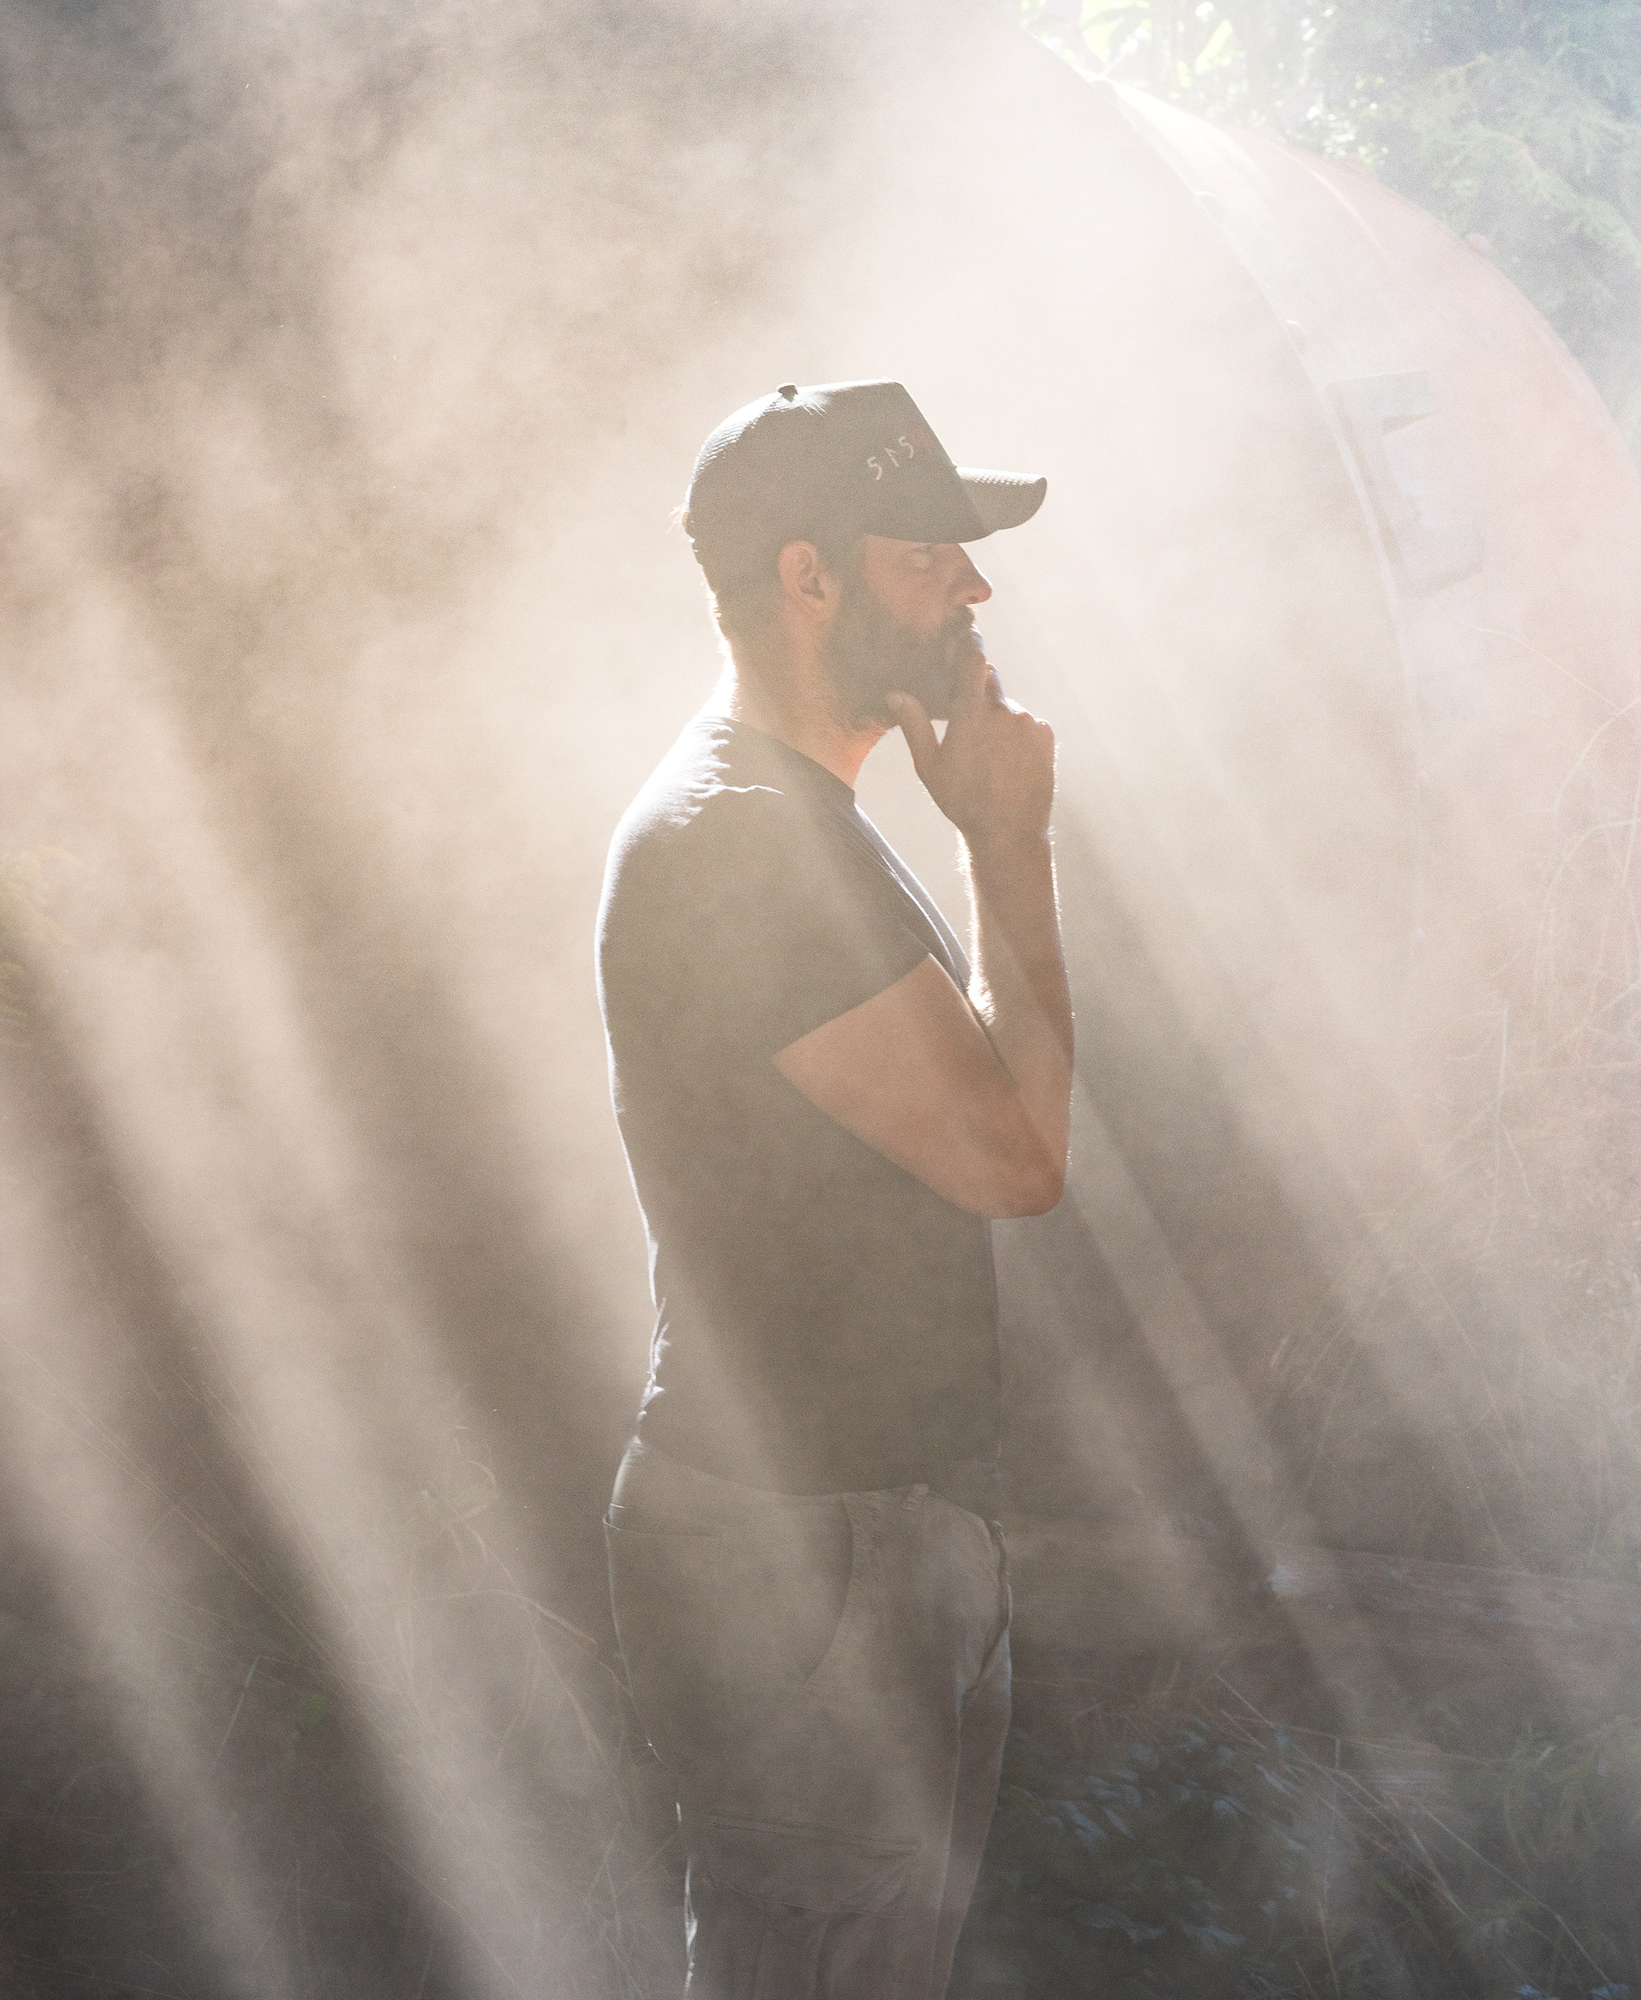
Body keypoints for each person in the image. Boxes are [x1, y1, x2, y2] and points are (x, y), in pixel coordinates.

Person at [594, 379, 1073, 1999]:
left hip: (856, 1531)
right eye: (931, 549)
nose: (974, 586)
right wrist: (1009, 847)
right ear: (811, 579)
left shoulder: (801, 823)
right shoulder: (741, 849)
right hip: (805, 1549)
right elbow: (1015, 1155)